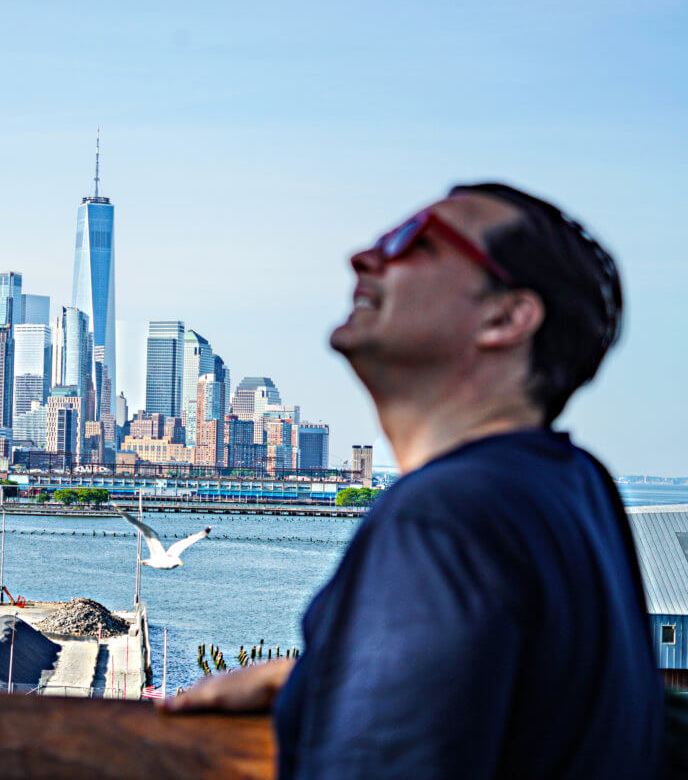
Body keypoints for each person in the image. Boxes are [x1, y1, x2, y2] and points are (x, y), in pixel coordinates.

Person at [164, 183, 664, 778]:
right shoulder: (580, 486)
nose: (364, 258)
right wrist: (326, 678)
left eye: (417, 241)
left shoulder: (441, 516)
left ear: (505, 317)